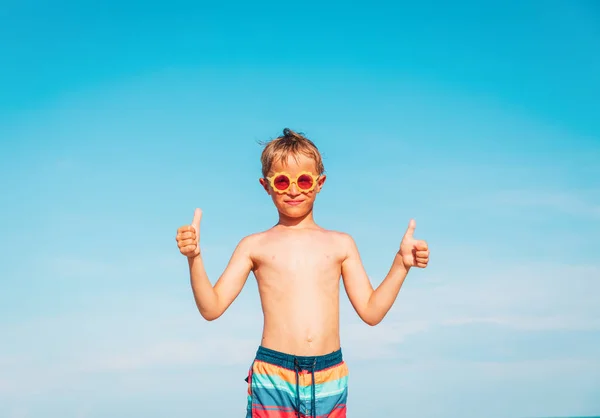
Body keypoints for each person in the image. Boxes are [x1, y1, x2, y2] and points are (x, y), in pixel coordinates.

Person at [175, 128, 430, 418]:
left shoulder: (341, 244)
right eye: (282, 181)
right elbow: (211, 307)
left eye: (304, 180)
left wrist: (401, 264)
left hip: (328, 375)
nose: (294, 190)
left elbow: (371, 312)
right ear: (266, 185)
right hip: (273, 374)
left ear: (319, 183)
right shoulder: (253, 245)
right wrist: (194, 258)